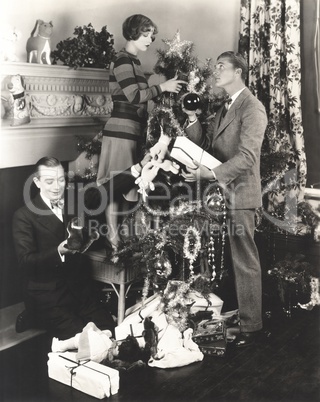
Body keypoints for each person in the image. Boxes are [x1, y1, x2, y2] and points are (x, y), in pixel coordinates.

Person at [182, 51, 268, 348]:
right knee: (226, 259)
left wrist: (209, 175)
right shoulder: (225, 106)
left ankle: (252, 326)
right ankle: (236, 315)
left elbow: (247, 158)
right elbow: (207, 144)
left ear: (239, 72)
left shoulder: (252, 108)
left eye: (221, 67)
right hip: (220, 195)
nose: (215, 71)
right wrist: (192, 118)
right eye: (215, 65)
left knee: (244, 260)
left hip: (241, 194)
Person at [96, 14, 186, 254]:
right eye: (145, 34)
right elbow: (134, 96)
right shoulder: (123, 60)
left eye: (151, 35)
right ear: (133, 33)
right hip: (120, 133)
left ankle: (120, 239)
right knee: (116, 186)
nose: (150, 39)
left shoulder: (134, 62)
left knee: (128, 185)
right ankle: (113, 241)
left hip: (132, 132)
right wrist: (162, 88)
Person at [12, 157, 115, 340]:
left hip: (81, 290)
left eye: (61, 180)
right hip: (49, 296)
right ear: (37, 182)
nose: (57, 187)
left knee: (109, 330)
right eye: (49, 181)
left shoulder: (73, 201)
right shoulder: (23, 216)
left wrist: (138, 169)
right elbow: (26, 263)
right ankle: (34, 314)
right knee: (85, 342)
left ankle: (35, 316)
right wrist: (58, 251)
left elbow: (104, 191)